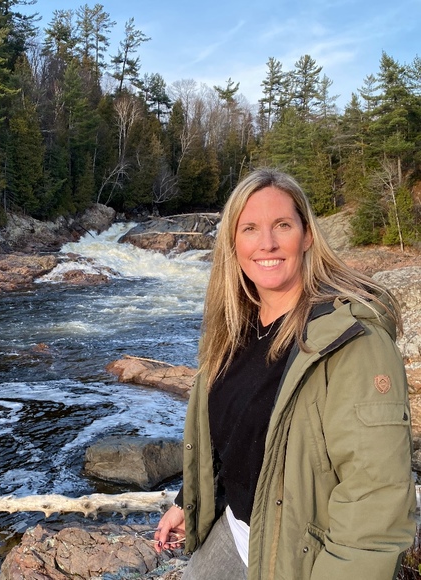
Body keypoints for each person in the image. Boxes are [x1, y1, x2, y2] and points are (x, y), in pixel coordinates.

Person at [154, 168, 416, 579]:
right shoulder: (235, 328)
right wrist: (190, 501)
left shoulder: (352, 343)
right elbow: (235, 436)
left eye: (282, 225)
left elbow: (374, 503)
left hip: (298, 558)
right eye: (250, 229)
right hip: (235, 533)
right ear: (233, 243)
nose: (267, 243)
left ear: (307, 235)